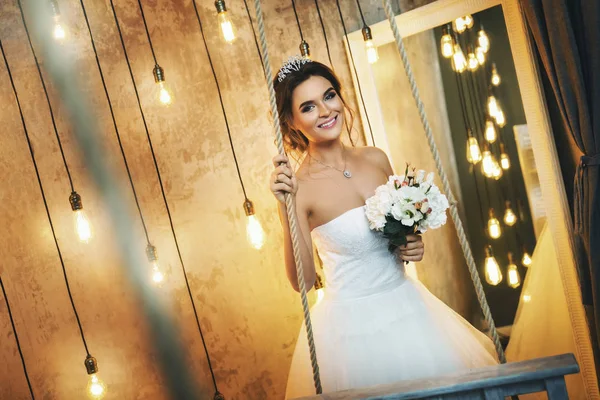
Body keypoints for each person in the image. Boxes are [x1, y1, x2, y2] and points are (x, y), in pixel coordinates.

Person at [269, 56, 497, 399]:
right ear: (291, 120)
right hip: (351, 331)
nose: (326, 111)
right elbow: (301, 282)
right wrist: (283, 205)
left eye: (329, 96)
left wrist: (412, 244)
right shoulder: (298, 189)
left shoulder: (376, 158)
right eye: (308, 106)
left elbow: (400, 232)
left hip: (410, 307)